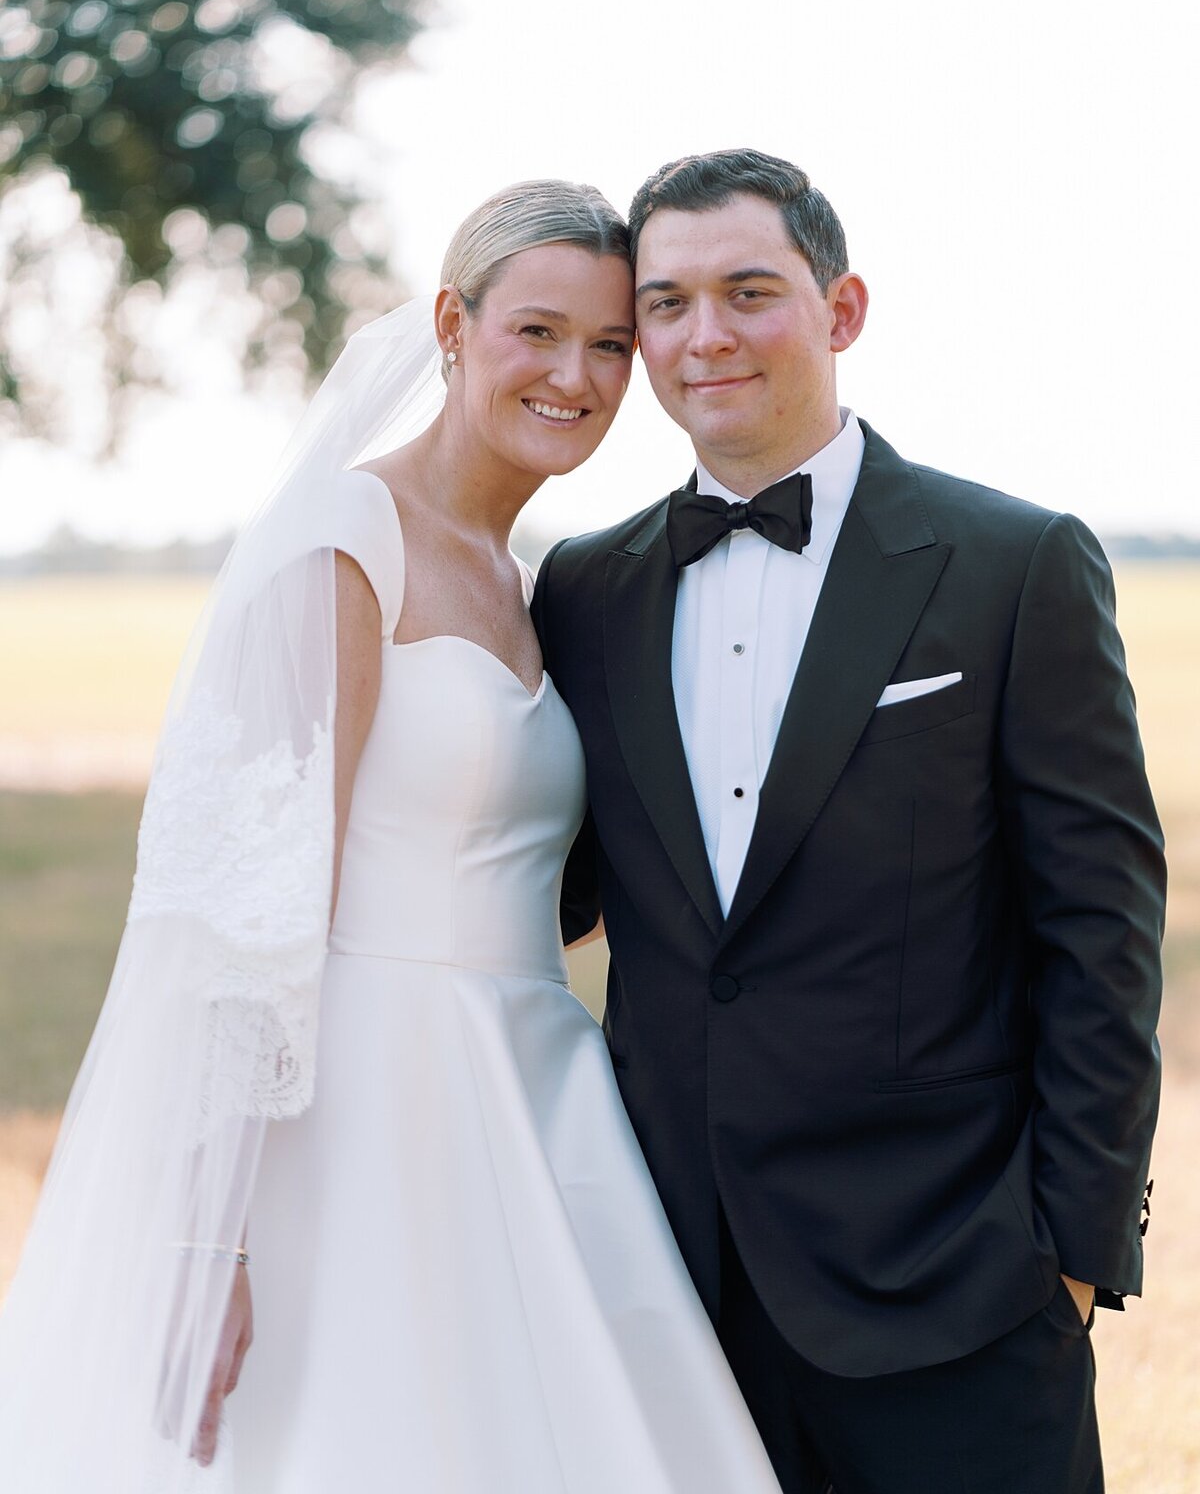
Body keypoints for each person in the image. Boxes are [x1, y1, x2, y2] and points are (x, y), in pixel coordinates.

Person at [0, 180, 783, 1493]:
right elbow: (241, 904)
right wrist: (209, 1236)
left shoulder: (537, 585)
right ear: (450, 322)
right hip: (360, 1115)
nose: (577, 376)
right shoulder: (344, 542)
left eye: (606, 344)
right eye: (536, 331)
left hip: (538, 1097)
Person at [532, 148, 1165, 1494]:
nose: (706, 336)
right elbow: (547, 889)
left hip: (960, 1292)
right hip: (668, 1291)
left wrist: (1071, 1252)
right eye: (667, 303)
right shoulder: (584, 593)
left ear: (843, 308)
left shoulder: (1014, 565)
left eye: (749, 291)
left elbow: (1101, 932)